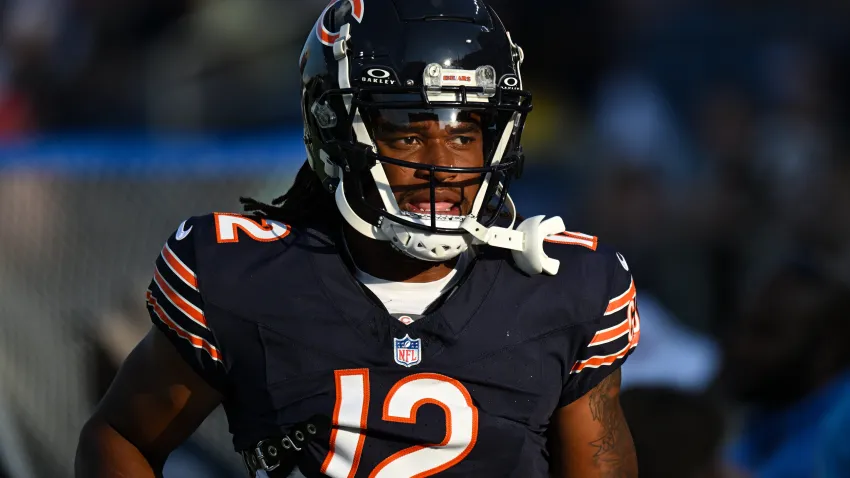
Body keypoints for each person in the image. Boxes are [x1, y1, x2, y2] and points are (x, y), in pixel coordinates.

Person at [74, 1, 640, 476]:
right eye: (407, 134)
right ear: (334, 131)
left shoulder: (567, 292)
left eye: (464, 134)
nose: (441, 165)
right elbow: (122, 436)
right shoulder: (245, 279)